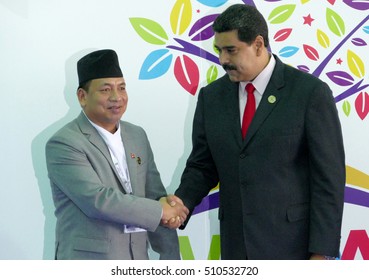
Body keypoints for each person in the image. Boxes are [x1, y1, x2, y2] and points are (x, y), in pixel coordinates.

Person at [173, 4, 345, 260]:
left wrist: (320, 253)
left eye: (231, 50)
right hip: (236, 247)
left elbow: (328, 179)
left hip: (293, 247)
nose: (223, 60)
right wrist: (181, 203)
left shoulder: (309, 93)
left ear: (258, 44)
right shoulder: (212, 97)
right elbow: (202, 165)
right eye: (219, 50)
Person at [45, 49, 188, 260]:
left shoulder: (137, 135)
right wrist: (160, 211)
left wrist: (171, 259)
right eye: (105, 89)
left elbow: (154, 195)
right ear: (82, 96)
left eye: (122, 88)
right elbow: (98, 200)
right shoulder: (64, 142)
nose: (117, 97)